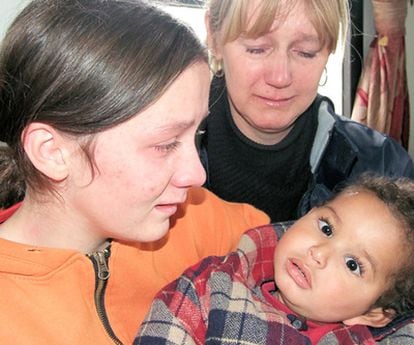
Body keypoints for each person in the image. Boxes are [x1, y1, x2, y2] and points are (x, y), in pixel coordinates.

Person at [0, 0, 269, 343]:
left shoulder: (191, 219)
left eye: (197, 134)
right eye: (166, 143)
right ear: (52, 152)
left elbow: (291, 247)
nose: (196, 174)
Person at [199, 0, 414, 222]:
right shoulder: (163, 155)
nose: (280, 77)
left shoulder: (383, 167)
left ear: (329, 50)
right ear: (214, 37)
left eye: (306, 53)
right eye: (257, 49)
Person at [135, 174, 414, 345]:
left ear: (373, 313)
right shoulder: (211, 288)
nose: (319, 252)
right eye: (326, 228)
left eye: (353, 264)